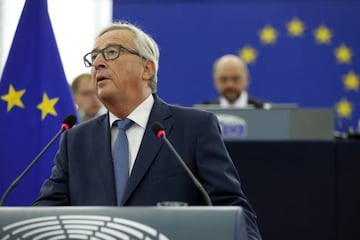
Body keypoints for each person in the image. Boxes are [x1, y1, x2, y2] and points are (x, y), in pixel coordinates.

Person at [33, 22, 262, 239]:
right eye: (93, 58)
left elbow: (231, 209)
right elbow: (45, 216)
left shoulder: (194, 128)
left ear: (147, 68)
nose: (98, 63)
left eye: (112, 52)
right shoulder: (75, 141)